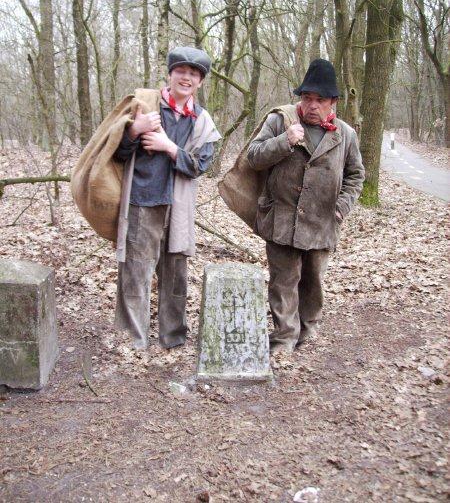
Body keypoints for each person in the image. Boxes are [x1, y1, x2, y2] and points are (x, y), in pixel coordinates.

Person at [247, 58, 365, 354]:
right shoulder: (280, 121)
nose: (312, 105)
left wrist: (341, 208)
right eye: (307, 98)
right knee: (283, 282)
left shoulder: (345, 134)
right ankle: (284, 338)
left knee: (312, 284)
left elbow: (356, 175)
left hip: (323, 221)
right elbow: (254, 157)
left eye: (320, 100)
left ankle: (307, 334)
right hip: (282, 217)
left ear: (333, 103)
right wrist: (284, 141)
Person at [114, 46, 221, 350]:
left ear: (200, 81)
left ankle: (172, 338)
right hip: (141, 201)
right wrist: (134, 130)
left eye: (193, 74)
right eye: (181, 71)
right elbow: (118, 154)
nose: (186, 78)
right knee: (136, 273)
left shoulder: (202, 120)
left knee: (175, 276)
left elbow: (199, 165)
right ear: (170, 74)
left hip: (179, 208)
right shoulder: (144, 106)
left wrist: (167, 146)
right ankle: (134, 342)